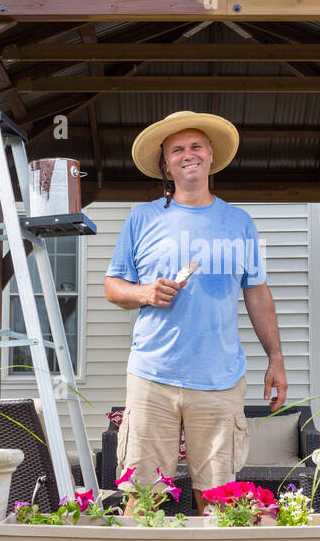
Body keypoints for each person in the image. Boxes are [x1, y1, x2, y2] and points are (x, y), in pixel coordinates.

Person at [104, 111, 286, 515]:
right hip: (153, 376)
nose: (188, 154)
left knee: (220, 500)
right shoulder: (142, 218)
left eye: (196, 146)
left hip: (219, 379)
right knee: (143, 496)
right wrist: (145, 292)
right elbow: (112, 287)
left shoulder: (239, 222)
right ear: (166, 164)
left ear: (210, 155)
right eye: (177, 149)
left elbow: (257, 293)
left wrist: (275, 358)